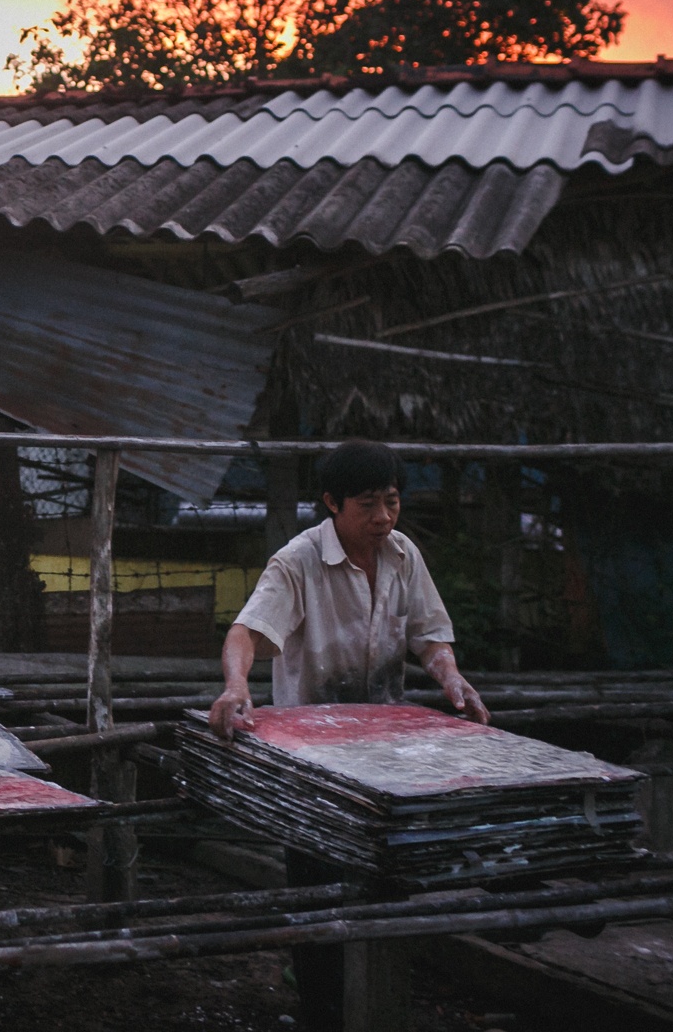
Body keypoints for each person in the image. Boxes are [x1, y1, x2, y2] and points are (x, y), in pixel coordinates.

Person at [207, 439, 489, 1032]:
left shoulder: (404, 555)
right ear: (332, 504)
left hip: (387, 746)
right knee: (315, 884)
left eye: (391, 502)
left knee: (383, 874)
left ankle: (375, 996)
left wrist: (451, 676)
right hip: (313, 754)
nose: (384, 518)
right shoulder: (298, 561)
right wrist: (236, 686)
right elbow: (245, 631)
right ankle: (320, 1008)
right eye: (368, 505)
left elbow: (431, 635)